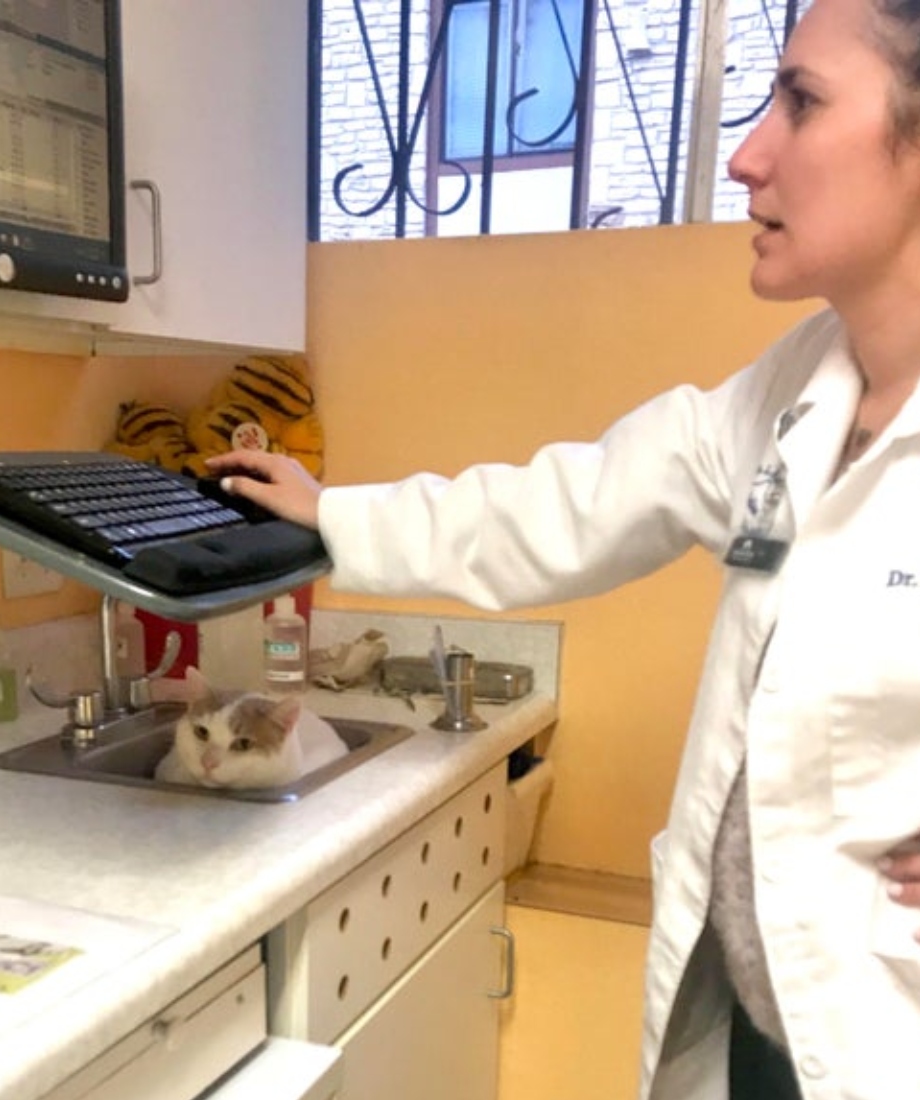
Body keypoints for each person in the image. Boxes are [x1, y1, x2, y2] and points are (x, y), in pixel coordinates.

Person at [207, 0, 920, 1094]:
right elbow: (567, 506)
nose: (746, 154)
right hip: (753, 1028)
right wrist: (333, 514)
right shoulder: (797, 386)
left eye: (803, 100)